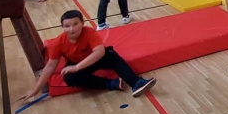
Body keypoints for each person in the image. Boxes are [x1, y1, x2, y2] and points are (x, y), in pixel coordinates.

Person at [17, 10, 155, 102]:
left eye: (75, 24)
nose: (72, 29)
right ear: (62, 27)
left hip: (95, 59)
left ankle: (136, 82)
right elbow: (50, 67)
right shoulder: (59, 43)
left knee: (112, 55)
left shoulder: (89, 32)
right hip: (77, 62)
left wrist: (77, 67)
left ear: (82, 23)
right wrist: (35, 90)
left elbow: (99, 52)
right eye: (67, 26)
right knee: (69, 77)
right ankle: (110, 84)